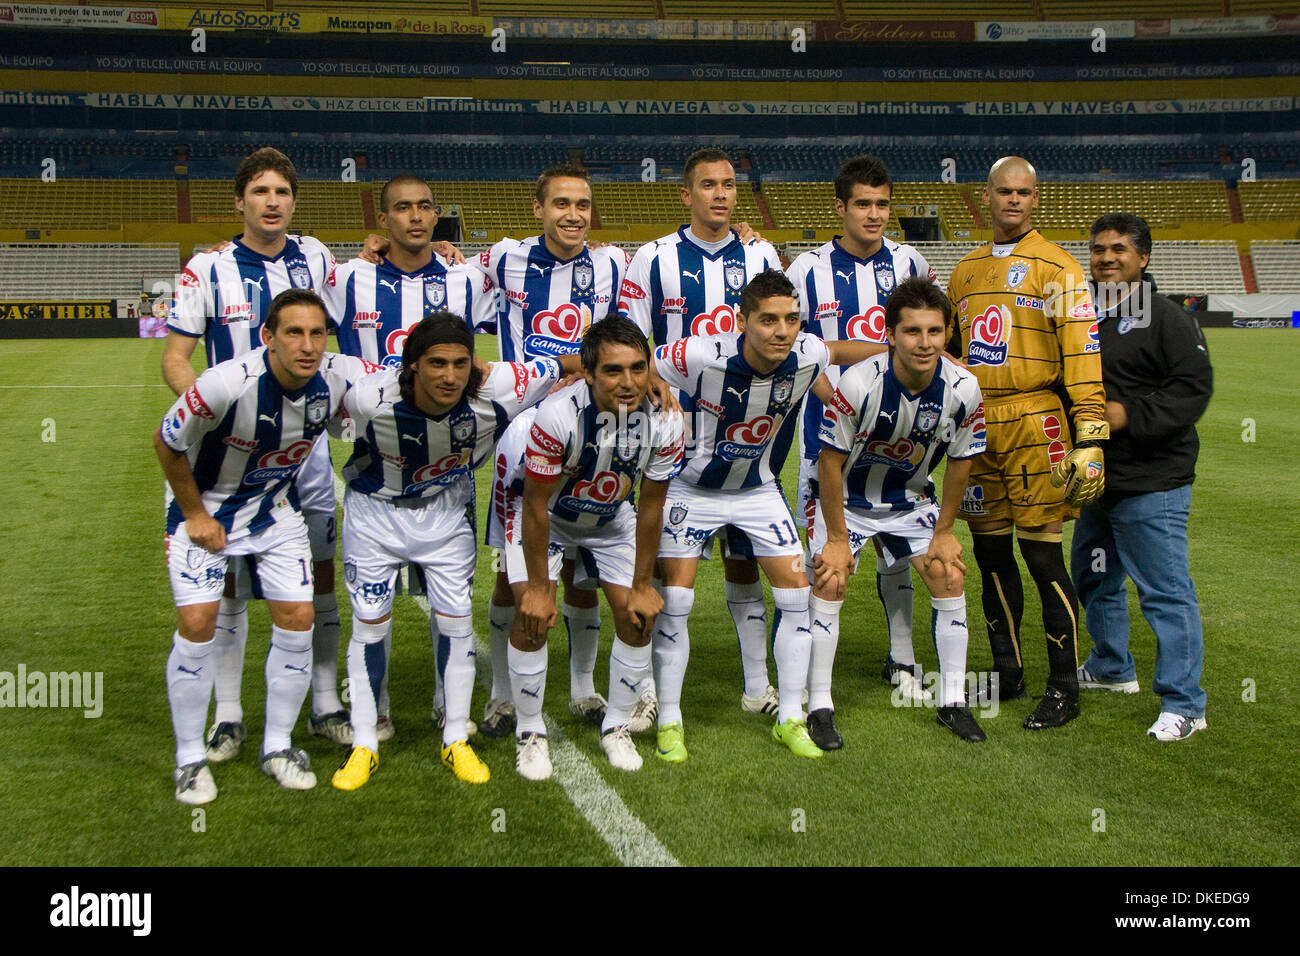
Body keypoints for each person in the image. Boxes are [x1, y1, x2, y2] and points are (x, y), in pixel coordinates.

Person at [330, 312, 581, 790]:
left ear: (475, 364)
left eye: (460, 364)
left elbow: (568, 362)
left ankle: (454, 738)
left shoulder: (502, 385)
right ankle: (365, 742)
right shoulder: (369, 398)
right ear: (411, 367)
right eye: (436, 364)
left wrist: (644, 374)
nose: (449, 376)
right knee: (370, 623)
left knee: (456, 622)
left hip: (446, 514)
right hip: (374, 513)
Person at [163, 147, 354, 760]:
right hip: (232, 449)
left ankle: (324, 701)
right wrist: (215, 411)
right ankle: (228, 713)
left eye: (282, 193)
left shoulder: (318, 255)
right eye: (261, 192)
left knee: (316, 573)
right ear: (239, 200)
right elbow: (176, 356)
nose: (272, 202)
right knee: (226, 583)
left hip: (305, 450)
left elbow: (339, 335)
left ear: (294, 202)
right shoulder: (206, 268)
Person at [649, 270, 882, 761]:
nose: (782, 330)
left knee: (797, 596)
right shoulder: (699, 355)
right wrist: (655, 383)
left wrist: (897, 354)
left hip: (757, 489)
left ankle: (790, 718)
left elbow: (839, 351)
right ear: (742, 321)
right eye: (769, 320)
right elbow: (637, 362)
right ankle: (669, 719)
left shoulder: (807, 353)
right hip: (691, 487)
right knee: (675, 601)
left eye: (792, 319)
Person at [155, 289, 365, 804]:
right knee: (198, 624)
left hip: (273, 510)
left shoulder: (336, 379)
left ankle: (277, 746)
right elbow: (167, 442)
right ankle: (189, 759)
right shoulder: (225, 384)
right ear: (268, 337)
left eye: (318, 333)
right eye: (294, 332)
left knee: (298, 615)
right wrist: (196, 515)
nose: (308, 345)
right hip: (205, 509)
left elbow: (390, 392)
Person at [324, 175, 496, 744]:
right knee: (371, 608)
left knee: (452, 605)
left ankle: (452, 710)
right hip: (376, 459)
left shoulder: (467, 278)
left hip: (449, 466)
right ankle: (373, 712)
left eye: (425, 208)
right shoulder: (349, 278)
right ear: (383, 217)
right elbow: (296, 325)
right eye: (402, 208)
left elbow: (532, 303)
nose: (415, 218)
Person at [620, 147, 787, 717]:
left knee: (745, 558)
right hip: (675, 435)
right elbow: (632, 341)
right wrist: (652, 385)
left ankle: (757, 686)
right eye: (708, 185)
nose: (720, 194)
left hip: (748, 435)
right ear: (685, 194)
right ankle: (647, 692)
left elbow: (784, 329)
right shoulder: (652, 258)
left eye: (729, 185)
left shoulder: (763, 252)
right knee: (669, 570)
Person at [944, 156, 1108, 730]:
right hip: (978, 425)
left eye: (1026, 193)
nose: (1014, 201)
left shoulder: (1060, 269)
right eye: (1004, 192)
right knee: (989, 555)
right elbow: (952, 357)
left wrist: (1091, 436)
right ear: (983, 197)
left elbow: (1084, 354)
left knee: (1042, 555)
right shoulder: (962, 272)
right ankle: (1007, 670)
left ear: (1036, 200)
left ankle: (1063, 684)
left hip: (1037, 422)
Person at [477, 165, 635, 737]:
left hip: (596, 427)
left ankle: (584, 690)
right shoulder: (503, 258)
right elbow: (442, 268)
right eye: (562, 204)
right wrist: (378, 247)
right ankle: (500, 696)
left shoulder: (616, 263)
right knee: (512, 570)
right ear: (538, 207)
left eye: (583, 205)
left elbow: (638, 327)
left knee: (583, 571)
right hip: (522, 429)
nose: (573, 214)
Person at [786, 153, 941, 705]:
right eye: (863, 204)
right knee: (826, 553)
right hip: (828, 434)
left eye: (882, 204)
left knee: (898, 547)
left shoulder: (910, 262)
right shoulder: (806, 269)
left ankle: (902, 659)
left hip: (902, 439)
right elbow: (792, 344)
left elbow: (935, 339)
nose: (874, 214)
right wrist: (826, 390)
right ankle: (807, 675)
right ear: (841, 207)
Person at [811, 277, 988, 747]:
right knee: (831, 579)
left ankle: (953, 702)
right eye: (912, 331)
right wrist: (834, 536)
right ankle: (819, 704)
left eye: (934, 331)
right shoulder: (858, 382)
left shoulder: (964, 388)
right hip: (843, 498)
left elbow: (961, 460)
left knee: (948, 572)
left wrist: (945, 530)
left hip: (909, 498)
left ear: (947, 333)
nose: (924, 343)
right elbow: (829, 461)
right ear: (891, 334)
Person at [504, 317, 683, 779]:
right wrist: (541, 587)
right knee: (532, 613)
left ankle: (616, 726)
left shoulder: (666, 418)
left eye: (638, 368)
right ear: (587, 373)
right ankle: (529, 732)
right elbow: (536, 507)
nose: (629, 383)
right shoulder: (557, 415)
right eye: (613, 371)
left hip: (611, 517)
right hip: (550, 517)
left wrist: (643, 583)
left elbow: (650, 506)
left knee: (640, 615)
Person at [1074, 213, 1212, 741]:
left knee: (1165, 591)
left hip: (1153, 480)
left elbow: (1191, 389)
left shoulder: (1167, 317)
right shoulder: (1084, 311)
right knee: (1094, 575)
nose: (1107, 257)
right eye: (1099, 249)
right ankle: (1112, 667)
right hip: (1099, 477)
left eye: (1119, 249)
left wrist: (1127, 415)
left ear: (1143, 258)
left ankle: (1185, 704)